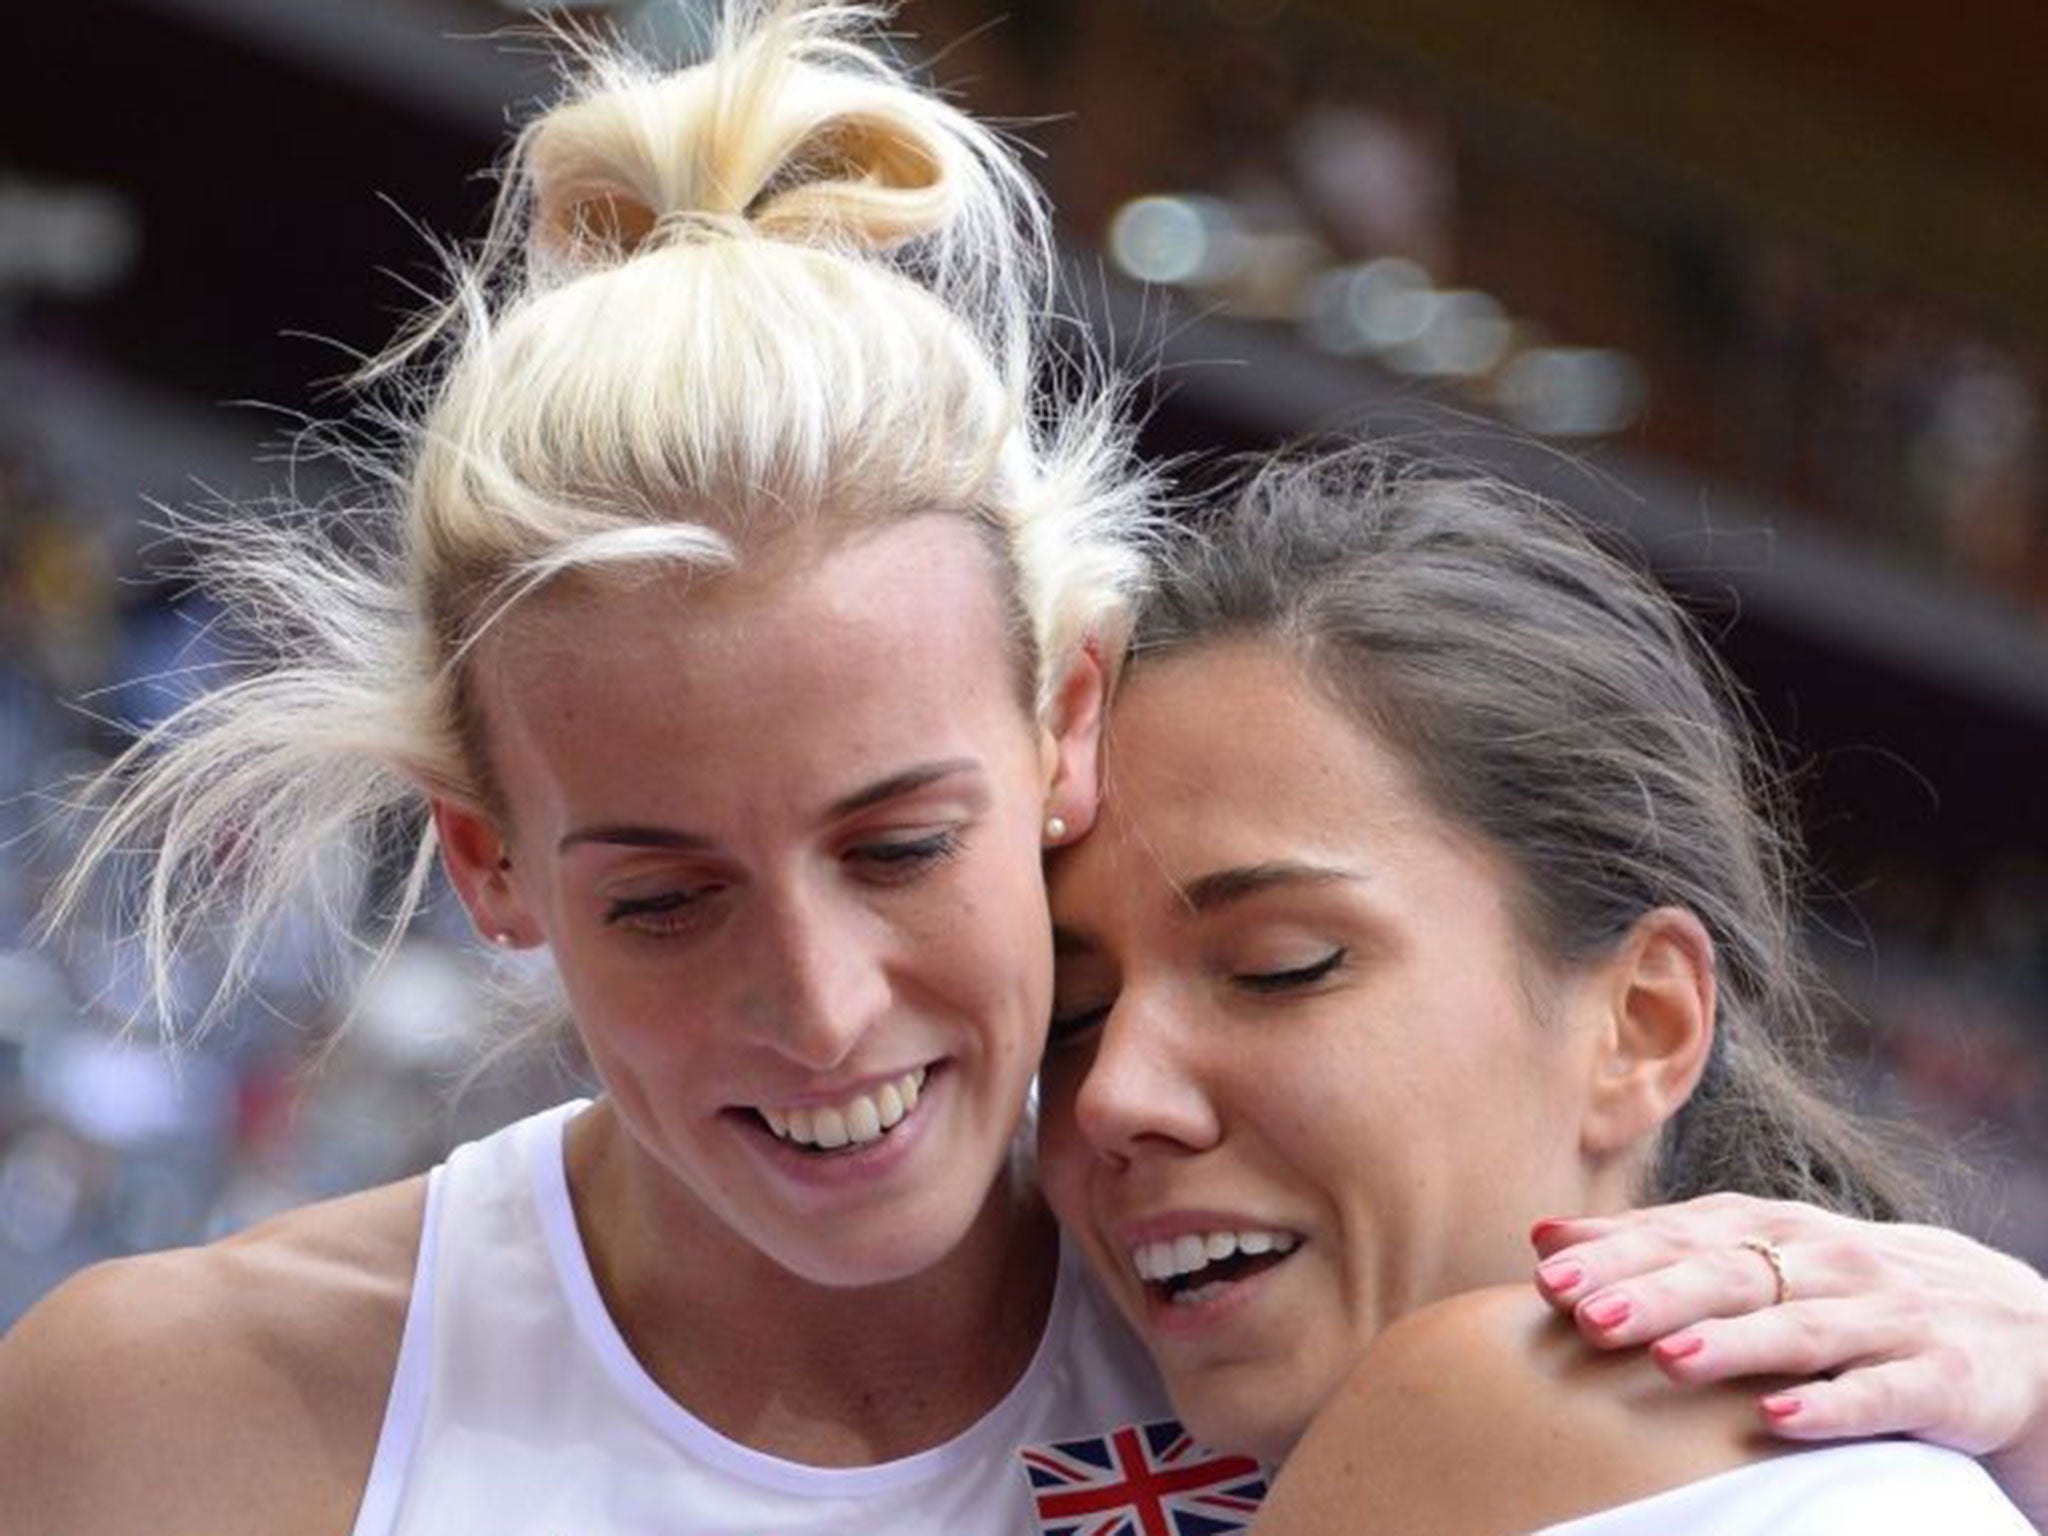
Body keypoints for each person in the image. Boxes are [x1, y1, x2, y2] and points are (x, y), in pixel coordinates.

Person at [1, 6, 2044, 1535]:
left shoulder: (1332, 1323)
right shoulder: (178, 1426)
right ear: (487, 868)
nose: (816, 1004)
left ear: (1061, 728)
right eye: (660, 894)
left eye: (900, 844)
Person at [1034, 447, 2046, 1532]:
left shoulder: (1465, 1409)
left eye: (1278, 968)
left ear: (1640, 1025)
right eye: (1071, 1018)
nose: (1108, 1097)